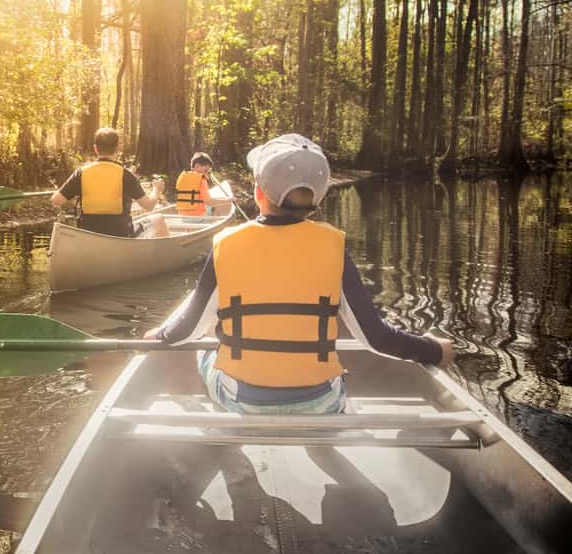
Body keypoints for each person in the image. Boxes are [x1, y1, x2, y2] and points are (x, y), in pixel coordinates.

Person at [145, 133, 453, 414]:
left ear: (257, 192)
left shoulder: (226, 245)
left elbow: (185, 331)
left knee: (207, 344)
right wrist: (432, 349)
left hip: (243, 400)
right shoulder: (334, 246)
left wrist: (159, 335)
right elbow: (376, 337)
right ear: (317, 200)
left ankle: (231, 458)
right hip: (321, 402)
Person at [52, 128, 168, 238]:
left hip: (88, 235)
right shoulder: (126, 175)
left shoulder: (81, 173)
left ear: (96, 149)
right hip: (120, 235)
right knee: (158, 219)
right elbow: (149, 206)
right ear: (118, 148)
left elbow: (56, 201)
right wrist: (157, 190)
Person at [175, 152, 234, 217]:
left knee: (211, 203)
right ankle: (212, 222)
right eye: (206, 170)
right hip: (198, 218)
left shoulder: (183, 177)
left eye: (208, 170)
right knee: (215, 207)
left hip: (183, 217)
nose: (207, 172)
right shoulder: (201, 180)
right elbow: (209, 201)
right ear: (197, 166)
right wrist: (228, 200)